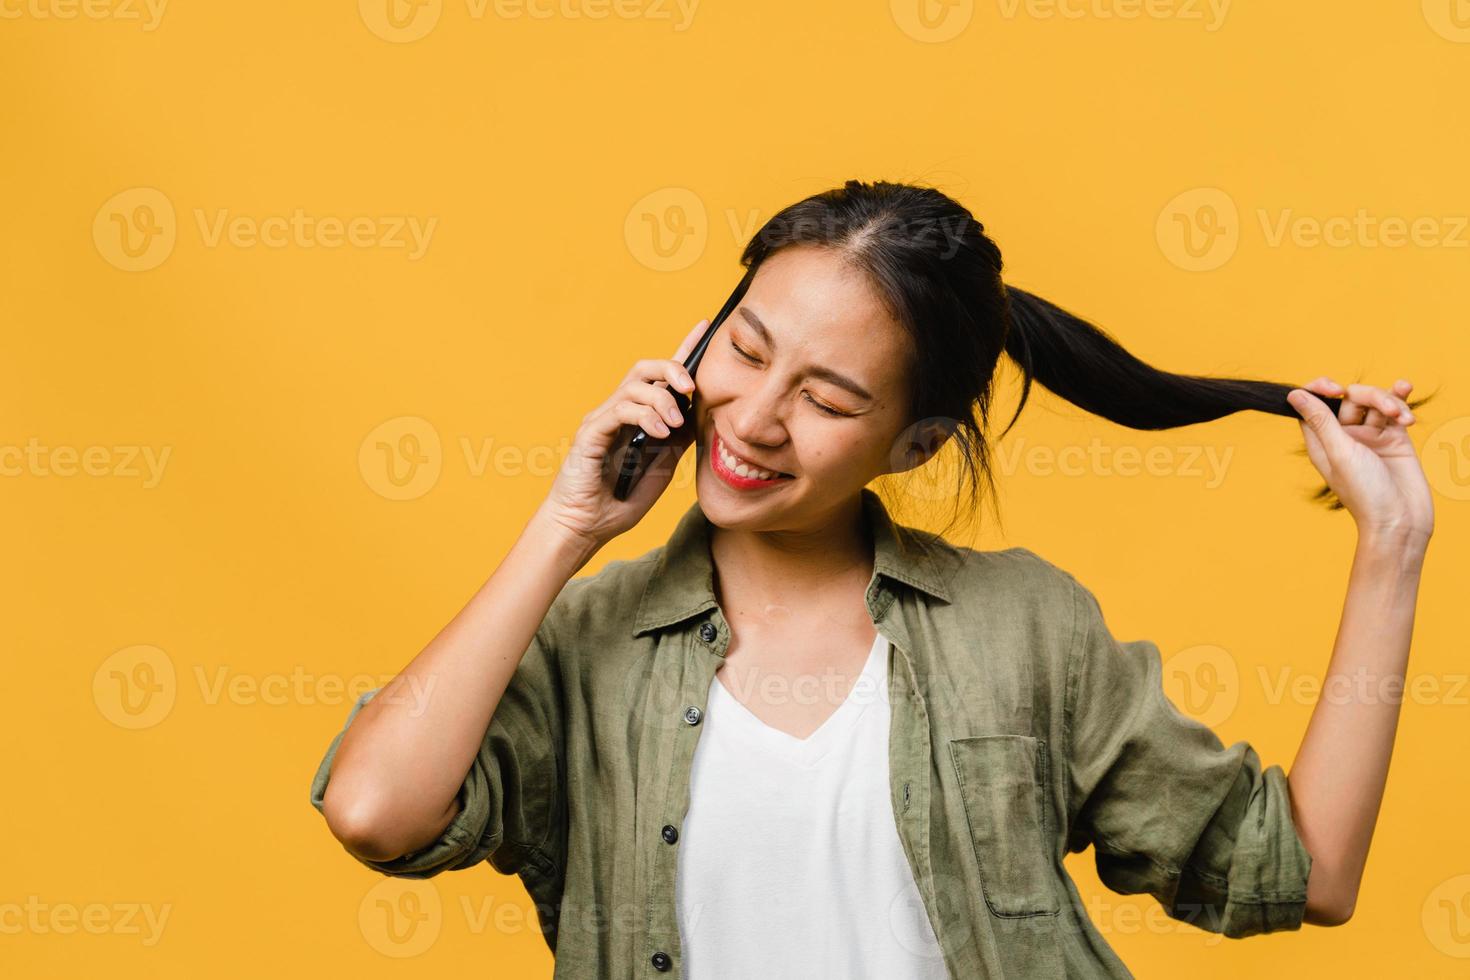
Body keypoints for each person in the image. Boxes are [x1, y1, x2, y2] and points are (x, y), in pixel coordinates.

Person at [308, 180, 1435, 978]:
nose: (754, 418)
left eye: (830, 399)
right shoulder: (585, 640)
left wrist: (1391, 552)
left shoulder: (1026, 627)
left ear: (916, 444)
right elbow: (373, 810)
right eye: (745, 350)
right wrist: (566, 527)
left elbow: (1304, 872)